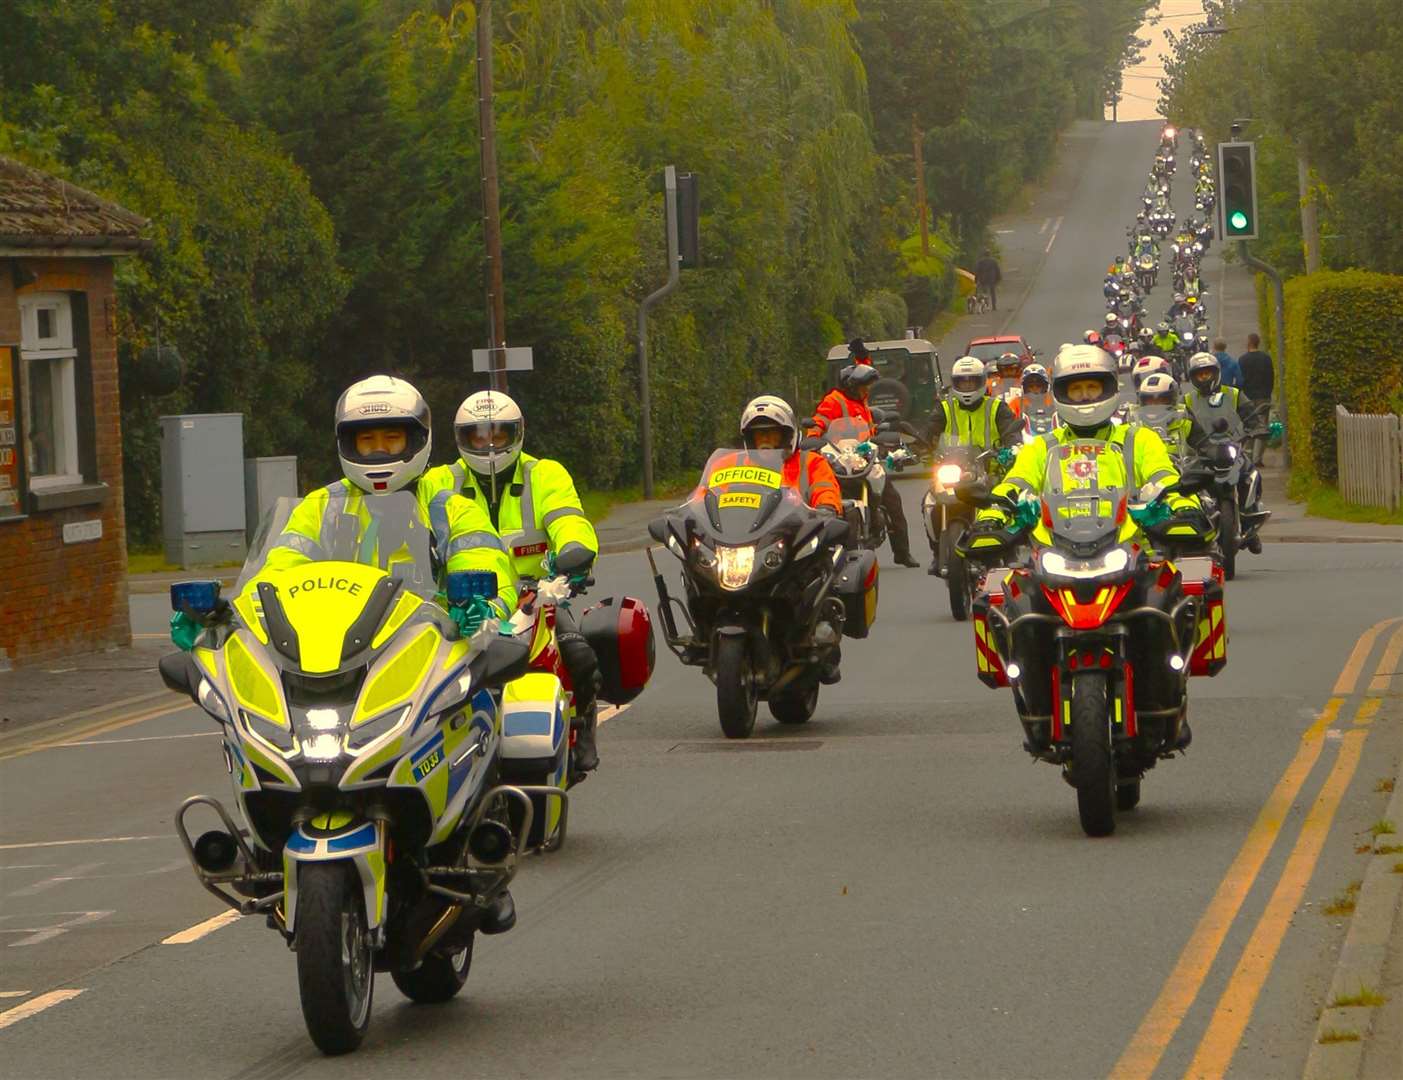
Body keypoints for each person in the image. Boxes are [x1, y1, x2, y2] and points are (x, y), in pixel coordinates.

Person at [968, 346, 1208, 747]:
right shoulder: (1040, 447)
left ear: (1110, 389)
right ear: (1060, 394)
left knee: (1161, 611)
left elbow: (1165, 478)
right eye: (1075, 390)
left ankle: (1164, 709)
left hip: (1128, 552)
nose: (1083, 398)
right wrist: (994, 514)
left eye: (1091, 388)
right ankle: (1037, 712)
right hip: (1053, 558)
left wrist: (1182, 505)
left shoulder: (1139, 439)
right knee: (1019, 618)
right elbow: (1017, 484)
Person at [421, 390, 604, 776]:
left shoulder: (545, 474)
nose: (488, 445)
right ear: (462, 439)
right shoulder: (439, 480)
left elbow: (569, 517)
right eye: (478, 436)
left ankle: (583, 722)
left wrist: (575, 550)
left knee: (579, 654)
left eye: (498, 435)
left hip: (536, 596)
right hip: (463, 604)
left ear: (516, 434)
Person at [810, 364, 919, 567]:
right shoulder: (833, 401)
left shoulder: (862, 402)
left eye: (867, 386)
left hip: (865, 457)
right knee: (826, 500)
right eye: (863, 386)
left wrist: (881, 435)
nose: (867, 390)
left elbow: (869, 429)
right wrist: (813, 439)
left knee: (892, 500)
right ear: (851, 385)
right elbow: (820, 422)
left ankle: (902, 553)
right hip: (841, 458)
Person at [924, 355, 1022, 573]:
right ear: (955, 383)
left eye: (972, 381)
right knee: (930, 503)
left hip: (990, 470)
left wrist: (1012, 448)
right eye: (962, 382)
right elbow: (929, 432)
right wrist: (916, 448)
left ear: (982, 381)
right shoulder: (945, 408)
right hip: (954, 468)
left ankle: (1010, 550)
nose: (967, 386)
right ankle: (937, 552)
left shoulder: (997, 407)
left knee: (1008, 503)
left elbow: (1010, 431)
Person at [1238, 333, 1275, 409]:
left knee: (1251, 419)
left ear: (1249, 343)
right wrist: (1268, 392)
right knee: (1263, 419)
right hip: (1264, 396)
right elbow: (1271, 377)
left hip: (1248, 396)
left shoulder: (1243, 359)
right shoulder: (1266, 358)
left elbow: (1241, 379)